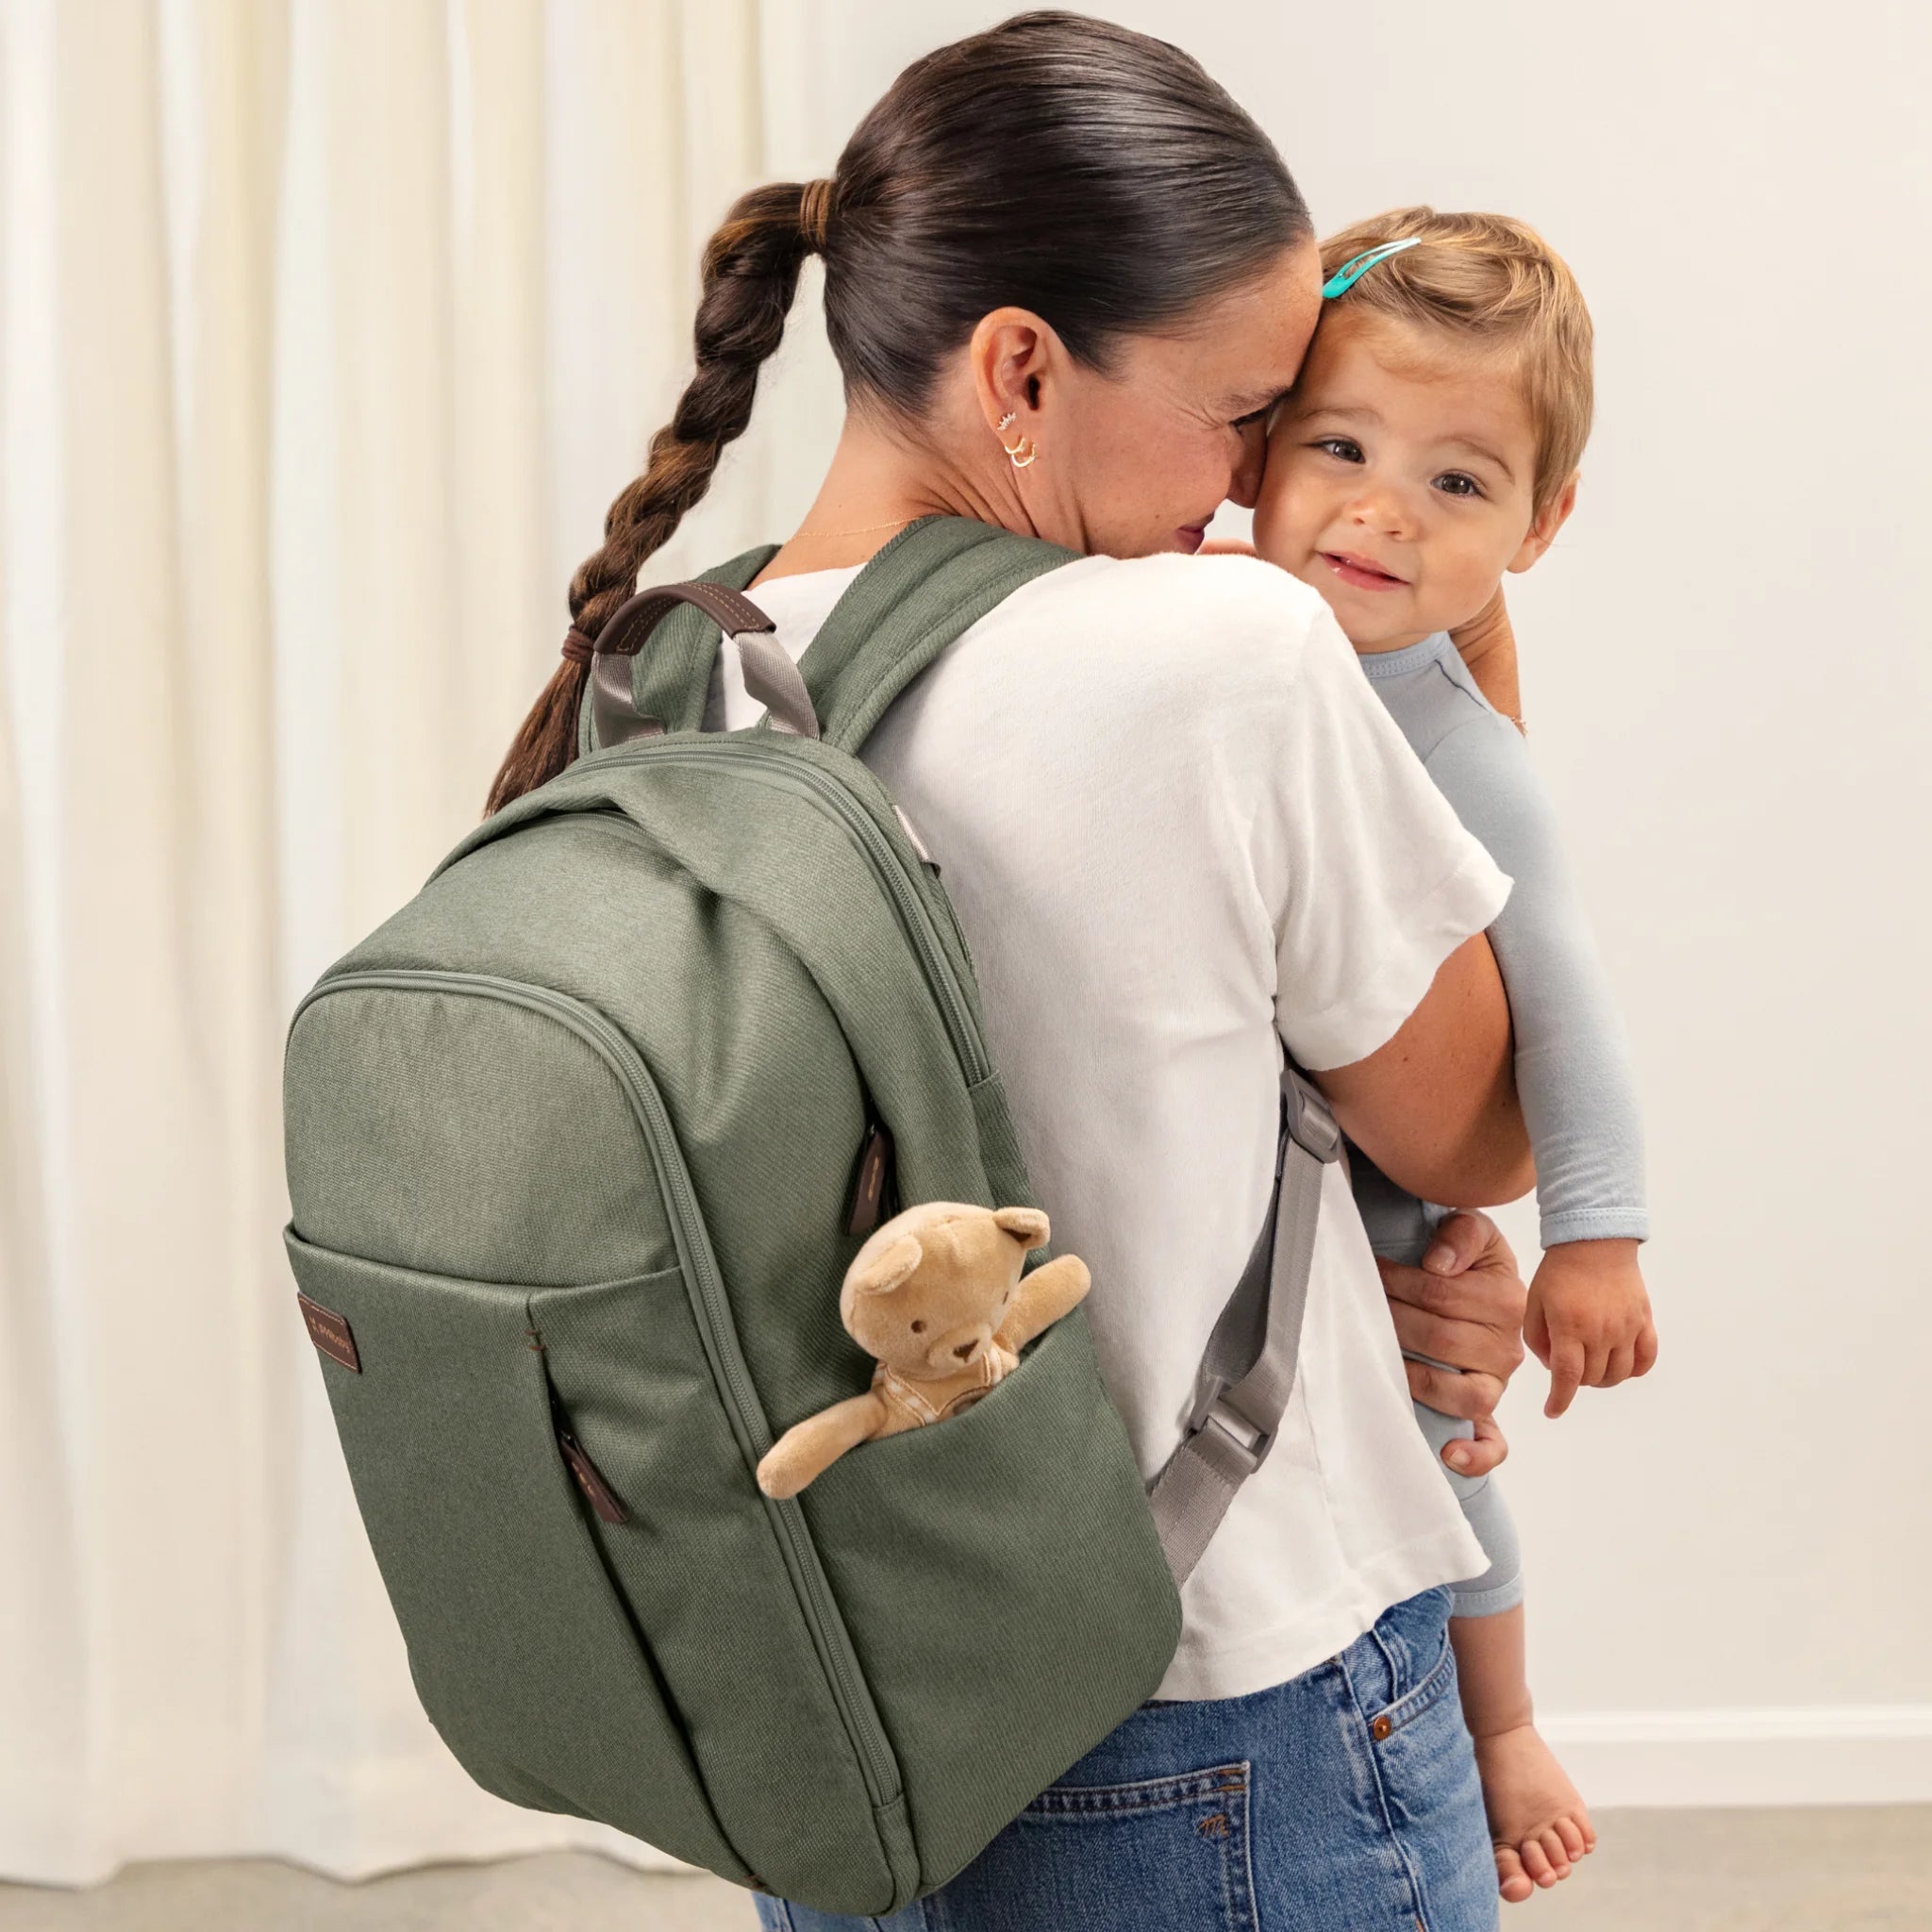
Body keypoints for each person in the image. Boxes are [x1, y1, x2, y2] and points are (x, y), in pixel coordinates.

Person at [490, 15, 1535, 1928]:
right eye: (1242, 407)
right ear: (1021, 369)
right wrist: (1470, 697)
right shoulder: (1223, 649)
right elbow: (1472, 1128)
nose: (1251, 488)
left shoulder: (657, 671)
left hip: (841, 1715)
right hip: (1225, 1695)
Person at [1252, 206, 1659, 1902]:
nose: (1377, 510)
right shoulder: (1198, 631)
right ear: (1259, 443)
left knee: (1445, 1446)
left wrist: (1600, 1234)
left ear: (1540, 526)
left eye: (1457, 482)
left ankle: (1497, 1730)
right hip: (1231, 1211)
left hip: (1387, 1221)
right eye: (1339, 445)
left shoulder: (1451, 736)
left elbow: (1562, 985)